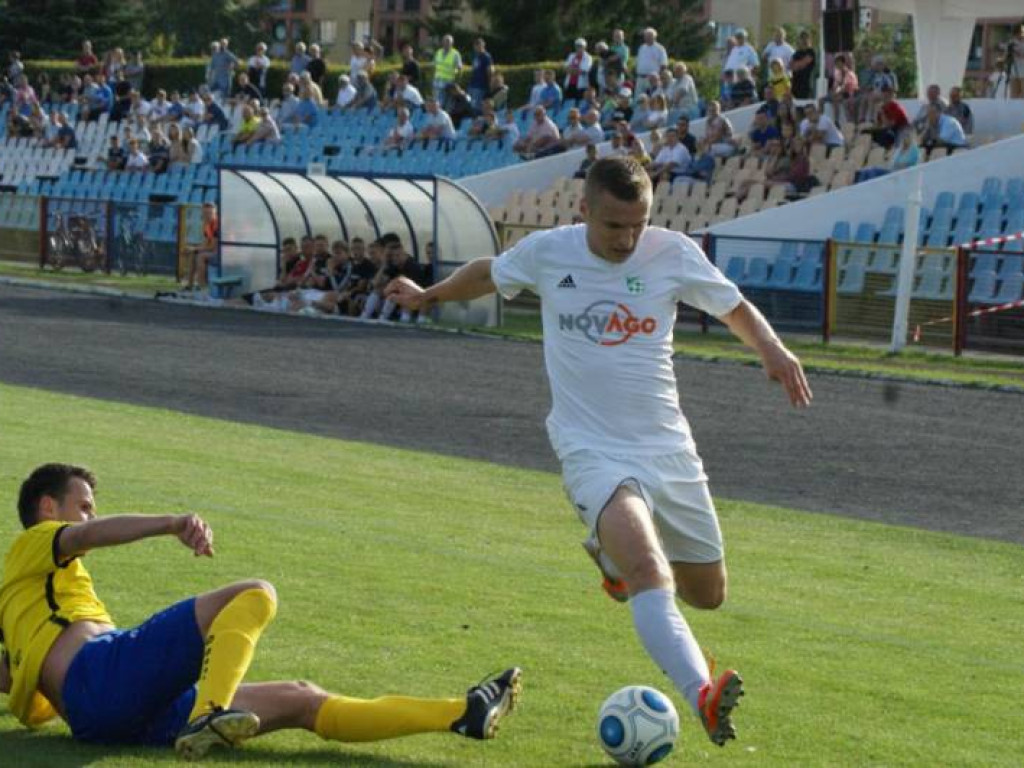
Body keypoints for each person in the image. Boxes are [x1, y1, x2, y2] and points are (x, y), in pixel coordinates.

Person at [386, 155, 812, 750]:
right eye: (614, 226)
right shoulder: (550, 252)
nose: (627, 238)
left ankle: (611, 563)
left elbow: (733, 306)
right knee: (648, 569)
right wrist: (429, 295)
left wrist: (772, 349)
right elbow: (491, 271)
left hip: (669, 448)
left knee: (707, 594)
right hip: (591, 448)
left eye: (637, 225)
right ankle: (701, 694)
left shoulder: (673, 253)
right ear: (584, 209)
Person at [0, 464, 522, 760]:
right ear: (49, 508)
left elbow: (10, 674)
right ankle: (210, 713)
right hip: (103, 678)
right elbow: (89, 534)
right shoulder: (36, 543)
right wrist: (172, 522)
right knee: (253, 592)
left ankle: (460, 713)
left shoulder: (24, 596)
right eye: (84, 503)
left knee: (300, 698)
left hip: (105, 720)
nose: (90, 514)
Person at [184, 202, 219, 291]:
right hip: (215, 251)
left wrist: (195, 248)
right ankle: (189, 285)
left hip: (224, 253)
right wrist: (194, 249)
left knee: (201, 256)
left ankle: (202, 286)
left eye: (210, 213)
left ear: (215, 213)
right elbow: (206, 243)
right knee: (194, 254)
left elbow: (212, 247)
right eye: (205, 214)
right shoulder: (207, 225)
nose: (207, 216)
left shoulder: (217, 225)